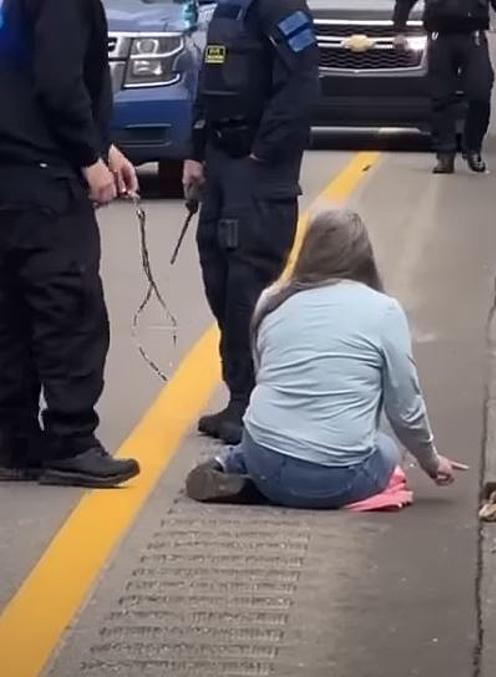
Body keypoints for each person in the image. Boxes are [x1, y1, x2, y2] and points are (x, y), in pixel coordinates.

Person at [184, 209, 462, 508]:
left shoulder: (272, 300)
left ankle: (233, 467)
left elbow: (264, 374)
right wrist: (431, 461)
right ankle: (289, 487)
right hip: (337, 477)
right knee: (387, 448)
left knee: (273, 425)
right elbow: (405, 409)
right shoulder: (384, 310)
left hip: (263, 456)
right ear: (364, 256)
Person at [0, 0, 141, 487]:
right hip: (45, 177)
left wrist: (105, 146)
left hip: (10, 168)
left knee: (10, 312)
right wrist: (88, 156)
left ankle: (11, 441)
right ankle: (70, 440)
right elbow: (59, 81)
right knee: (68, 308)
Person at [183, 0, 320, 446]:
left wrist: (266, 150)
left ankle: (259, 404)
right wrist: (195, 150)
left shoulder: (283, 9)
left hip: (261, 169)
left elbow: (301, 84)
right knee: (218, 280)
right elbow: (210, 82)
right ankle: (238, 393)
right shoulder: (228, 9)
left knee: (248, 284)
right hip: (222, 162)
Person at [392, 0, 496, 175]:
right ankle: (445, 154)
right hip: (440, 36)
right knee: (441, 97)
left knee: (480, 90)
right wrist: (399, 29)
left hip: (474, 36)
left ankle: (473, 148)